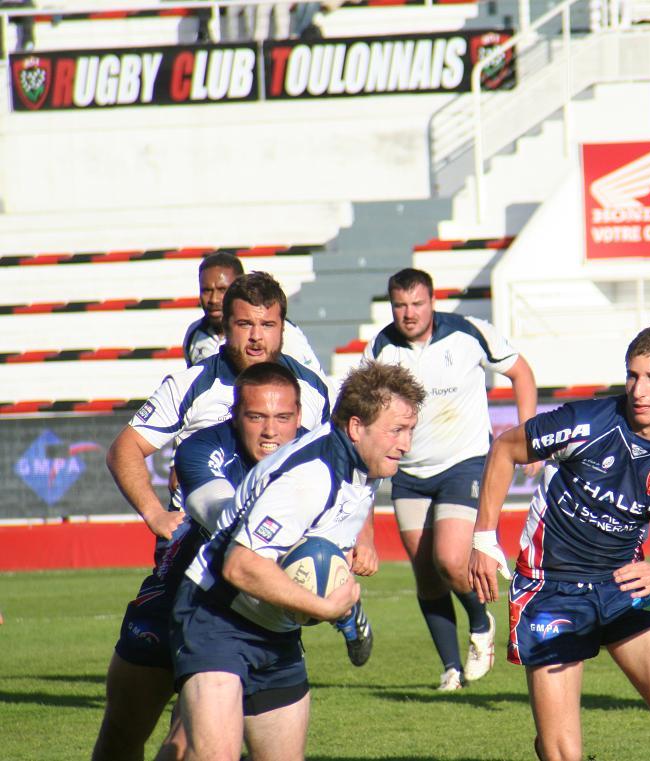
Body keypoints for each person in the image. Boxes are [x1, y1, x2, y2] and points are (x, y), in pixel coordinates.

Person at [93, 274, 357, 761]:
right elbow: (125, 449)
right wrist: (155, 513)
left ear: (282, 328)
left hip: (258, 580)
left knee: (192, 738)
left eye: (267, 325)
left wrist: (360, 537)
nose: (256, 337)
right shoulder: (192, 383)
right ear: (225, 327)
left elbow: (341, 463)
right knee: (126, 728)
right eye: (244, 324)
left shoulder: (311, 390)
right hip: (185, 566)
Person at [470, 325, 650, 761]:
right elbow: (505, 448)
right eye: (632, 375)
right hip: (551, 589)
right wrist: (484, 537)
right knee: (563, 753)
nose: (638, 389)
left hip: (623, 586)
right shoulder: (586, 421)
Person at [171, 362, 425, 761]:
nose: (406, 444)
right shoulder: (310, 477)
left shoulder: (365, 464)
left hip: (277, 630)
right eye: (397, 431)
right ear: (356, 427)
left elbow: (324, 544)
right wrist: (326, 608)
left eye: (410, 431)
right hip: (218, 617)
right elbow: (240, 566)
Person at [93, 363, 306, 761]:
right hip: (173, 599)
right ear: (235, 414)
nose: (270, 430)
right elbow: (225, 517)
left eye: (282, 417)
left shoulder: (314, 455)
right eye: (256, 417)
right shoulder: (203, 447)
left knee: (191, 744)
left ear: (299, 416)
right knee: (121, 736)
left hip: (243, 619)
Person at [362, 268, 538, 690]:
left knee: (451, 560)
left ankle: (481, 623)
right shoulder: (381, 348)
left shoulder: (468, 333)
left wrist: (528, 435)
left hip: (465, 462)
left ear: (432, 301)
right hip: (409, 472)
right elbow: (365, 409)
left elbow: (522, 373)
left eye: (417, 303)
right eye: (400, 305)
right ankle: (451, 670)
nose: (409, 313)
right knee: (426, 575)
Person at [183, 252, 323, 374]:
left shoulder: (283, 333)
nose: (213, 299)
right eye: (206, 290)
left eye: (222, 290)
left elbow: (314, 382)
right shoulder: (194, 334)